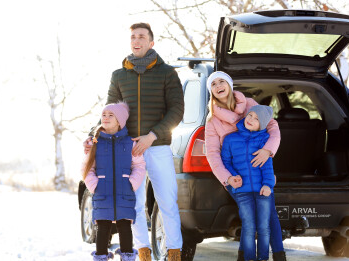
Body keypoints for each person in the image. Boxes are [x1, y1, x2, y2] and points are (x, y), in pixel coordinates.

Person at [84, 23, 184, 261]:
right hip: (126, 150)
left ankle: (174, 252)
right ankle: (142, 252)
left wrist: (152, 136)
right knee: (134, 205)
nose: (136, 40)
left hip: (157, 146)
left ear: (151, 42)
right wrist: (93, 135)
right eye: (133, 37)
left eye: (142, 36)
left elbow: (177, 110)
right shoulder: (119, 76)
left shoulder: (167, 73)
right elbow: (109, 114)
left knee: (167, 201)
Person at [204, 71, 287, 261]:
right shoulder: (213, 121)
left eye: (222, 81)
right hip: (236, 176)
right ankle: (247, 257)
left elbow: (271, 126)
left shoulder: (249, 104)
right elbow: (213, 154)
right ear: (211, 92)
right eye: (214, 84)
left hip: (259, 171)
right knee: (249, 218)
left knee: (269, 213)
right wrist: (228, 178)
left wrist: (268, 150)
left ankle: (278, 255)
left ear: (230, 84)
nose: (218, 86)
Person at [83, 102, 146, 261]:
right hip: (102, 192)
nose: (106, 117)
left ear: (120, 121)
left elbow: (139, 165)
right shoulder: (95, 143)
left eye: (111, 115)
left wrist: (132, 183)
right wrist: (94, 185)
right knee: (103, 227)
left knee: (124, 226)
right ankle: (101, 257)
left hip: (124, 192)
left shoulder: (130, 142)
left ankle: (127, 257)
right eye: (104, 114)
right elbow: (87, 167)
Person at [221, 105, 282, 261]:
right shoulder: (230, 139)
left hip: (263, 190)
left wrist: (268, 185)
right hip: (242, 190)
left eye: (256, 119)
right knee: (248, 226)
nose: (251, 120)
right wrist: (233, 176)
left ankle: (262, 258)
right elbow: (226, 161)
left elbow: (268, 166)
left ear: (261, 125)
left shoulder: (264, 139)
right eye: (250, 115)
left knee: (263, 227)